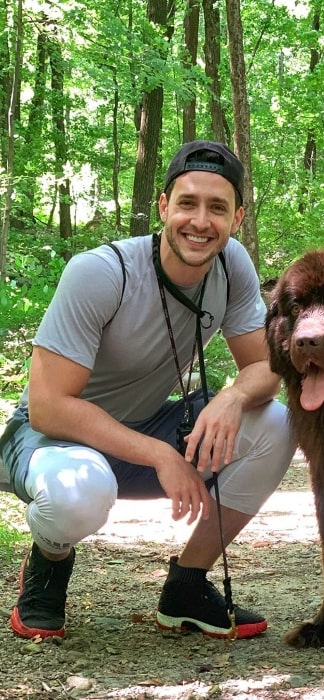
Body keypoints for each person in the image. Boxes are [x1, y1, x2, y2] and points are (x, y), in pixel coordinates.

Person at [0, 140, 295, 641]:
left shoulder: (231, 265)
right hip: (51, 442)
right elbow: (49, 408)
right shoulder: (101, 273)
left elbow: (268, 366)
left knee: (276, 423)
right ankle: (49, 565)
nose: (200, 221)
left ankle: (187, 585)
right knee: (80, 494)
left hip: (146, 427)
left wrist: (232, 397)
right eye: (187, 203)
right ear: (163, 207)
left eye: (217, 207)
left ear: (237, 218)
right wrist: (160, 453)